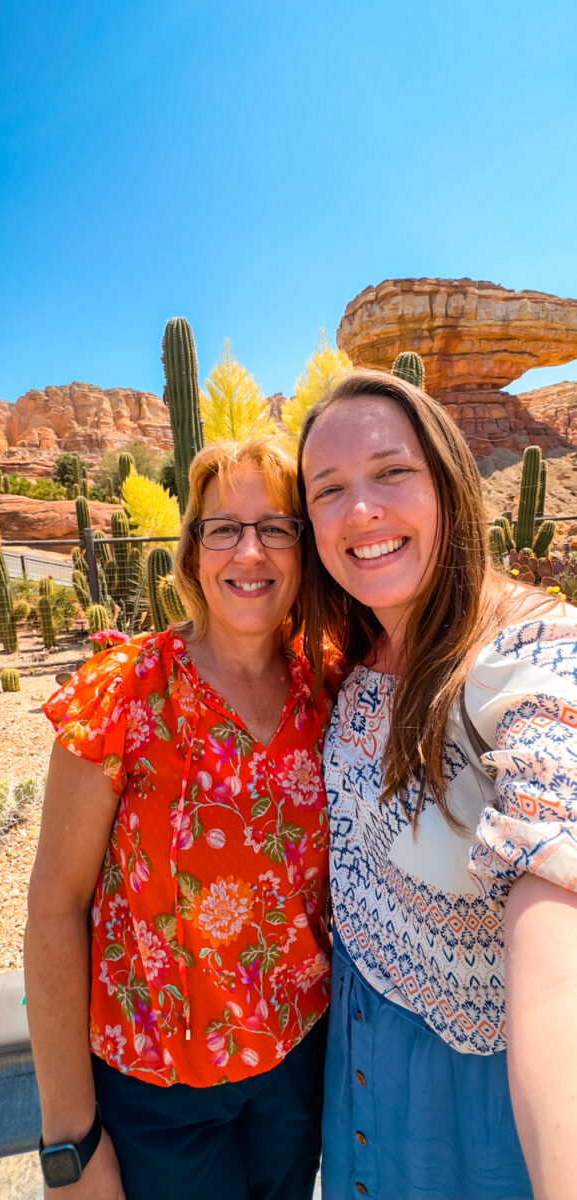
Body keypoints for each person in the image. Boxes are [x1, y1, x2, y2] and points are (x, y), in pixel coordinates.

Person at [24, 436, 335, 1200]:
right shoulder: (124, 693)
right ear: (193, 554)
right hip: (156, 1092)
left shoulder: (327, 687)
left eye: (276, 527)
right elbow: (54, 910)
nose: (249, 550)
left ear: (303, 550)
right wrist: (69, 1144)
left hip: (298, 1067)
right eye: (222, 527)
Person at [297, 369, 577, 1200]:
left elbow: (555, 935)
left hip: (471, 1111)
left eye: (391, 472)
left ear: (449, 484)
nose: (360, 512)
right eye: (328, 490)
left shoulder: (533, 659)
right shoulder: (353, 658)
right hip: (352, 1062)